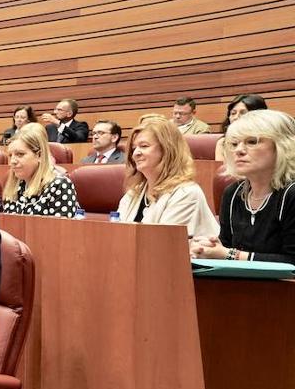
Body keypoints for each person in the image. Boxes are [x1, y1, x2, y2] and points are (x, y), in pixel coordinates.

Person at [191, 110, 294, 265]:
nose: (238, 150)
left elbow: (293, 260)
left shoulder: (291, 194)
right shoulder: (232, 193)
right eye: (234, 144)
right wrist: (208, 249)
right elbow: (225, 250)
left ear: (282, 146)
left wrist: (231, 255)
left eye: (252, 142)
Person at [115, 118, 218, 237]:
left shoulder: (186, 193)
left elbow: (162, 245)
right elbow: (118, 236)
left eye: (144, 146)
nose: (135, 153)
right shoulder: (133, 193)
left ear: (167, 150)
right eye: (134, 148)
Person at [0, 123, 81, 217]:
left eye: (20, 154)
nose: (12, 161)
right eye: (10, 155)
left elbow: (61, 230)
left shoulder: (59, 185)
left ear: (39, 155)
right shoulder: (14, 184)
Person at [215, 94, 268, 160]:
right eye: (233, 113)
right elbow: (221, 169)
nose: (236, 117)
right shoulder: (223, 142)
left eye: (243, 113)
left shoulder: (267, 141)